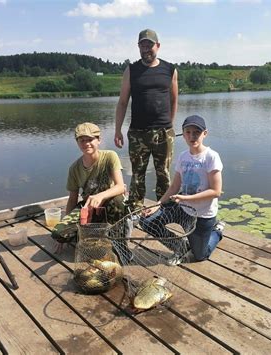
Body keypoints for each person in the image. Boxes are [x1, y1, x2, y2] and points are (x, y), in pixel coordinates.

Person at [141, 115, 225, 265]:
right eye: (188, 132)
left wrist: (186, 198)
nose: (192, 136)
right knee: (147, 221)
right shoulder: (182, 157)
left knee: (200, 255)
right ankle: (181, 247)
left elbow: (216, 191)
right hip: (184, 211)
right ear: (183, 134)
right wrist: (158, 204)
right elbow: (174, 186)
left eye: (196, 132)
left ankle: (217, 231)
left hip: (203, 215)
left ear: (204, 133)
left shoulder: (211, 157)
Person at [114, 28, 178, 209]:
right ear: (138, 47)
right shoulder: (131, 70)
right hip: (137, 133)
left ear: (157, 46)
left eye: (149, 45)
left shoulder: (170, 70)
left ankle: (164, 209)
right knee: (137, 174)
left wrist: (170, 126)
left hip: (164, 132)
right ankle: (134, 209)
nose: (146, 49)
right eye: (142, 45)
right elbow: (122, 102)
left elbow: (174, 100)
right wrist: (118, 129)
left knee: (164, 174)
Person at [51, 122, 132, 261]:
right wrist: (65, 230)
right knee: (59, 233)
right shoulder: (74, 168)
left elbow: (119, 186)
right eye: (82, 140)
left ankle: (120, 243)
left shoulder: (109, 156)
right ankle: (96, 232)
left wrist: (100, 196)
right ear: (77, 143)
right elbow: (72, 199)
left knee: (118, 200)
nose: (86, 143)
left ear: (99, 140)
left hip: (110, 204)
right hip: (89, 207)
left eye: (90, 139)